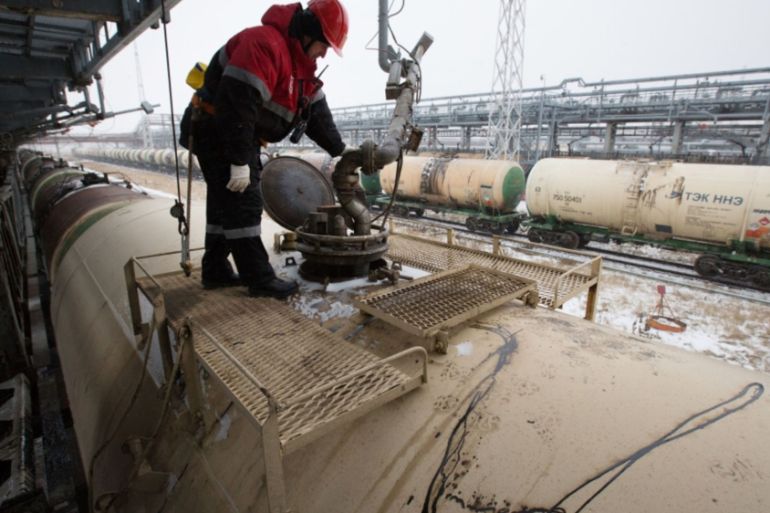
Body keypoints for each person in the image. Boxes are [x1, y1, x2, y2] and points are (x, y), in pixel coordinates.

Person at [180, 0, 348, 299]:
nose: (324, 53)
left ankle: (215, 270)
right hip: (217, 130)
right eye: (324, 45)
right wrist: (239, 162)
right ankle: (259, 279)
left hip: (235, 134)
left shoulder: (303, 69)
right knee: (244, 202)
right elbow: (236, 105)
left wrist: (341, 151)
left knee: (223, 202)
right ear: (309, 32)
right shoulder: (263, 45)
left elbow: (318, 117)